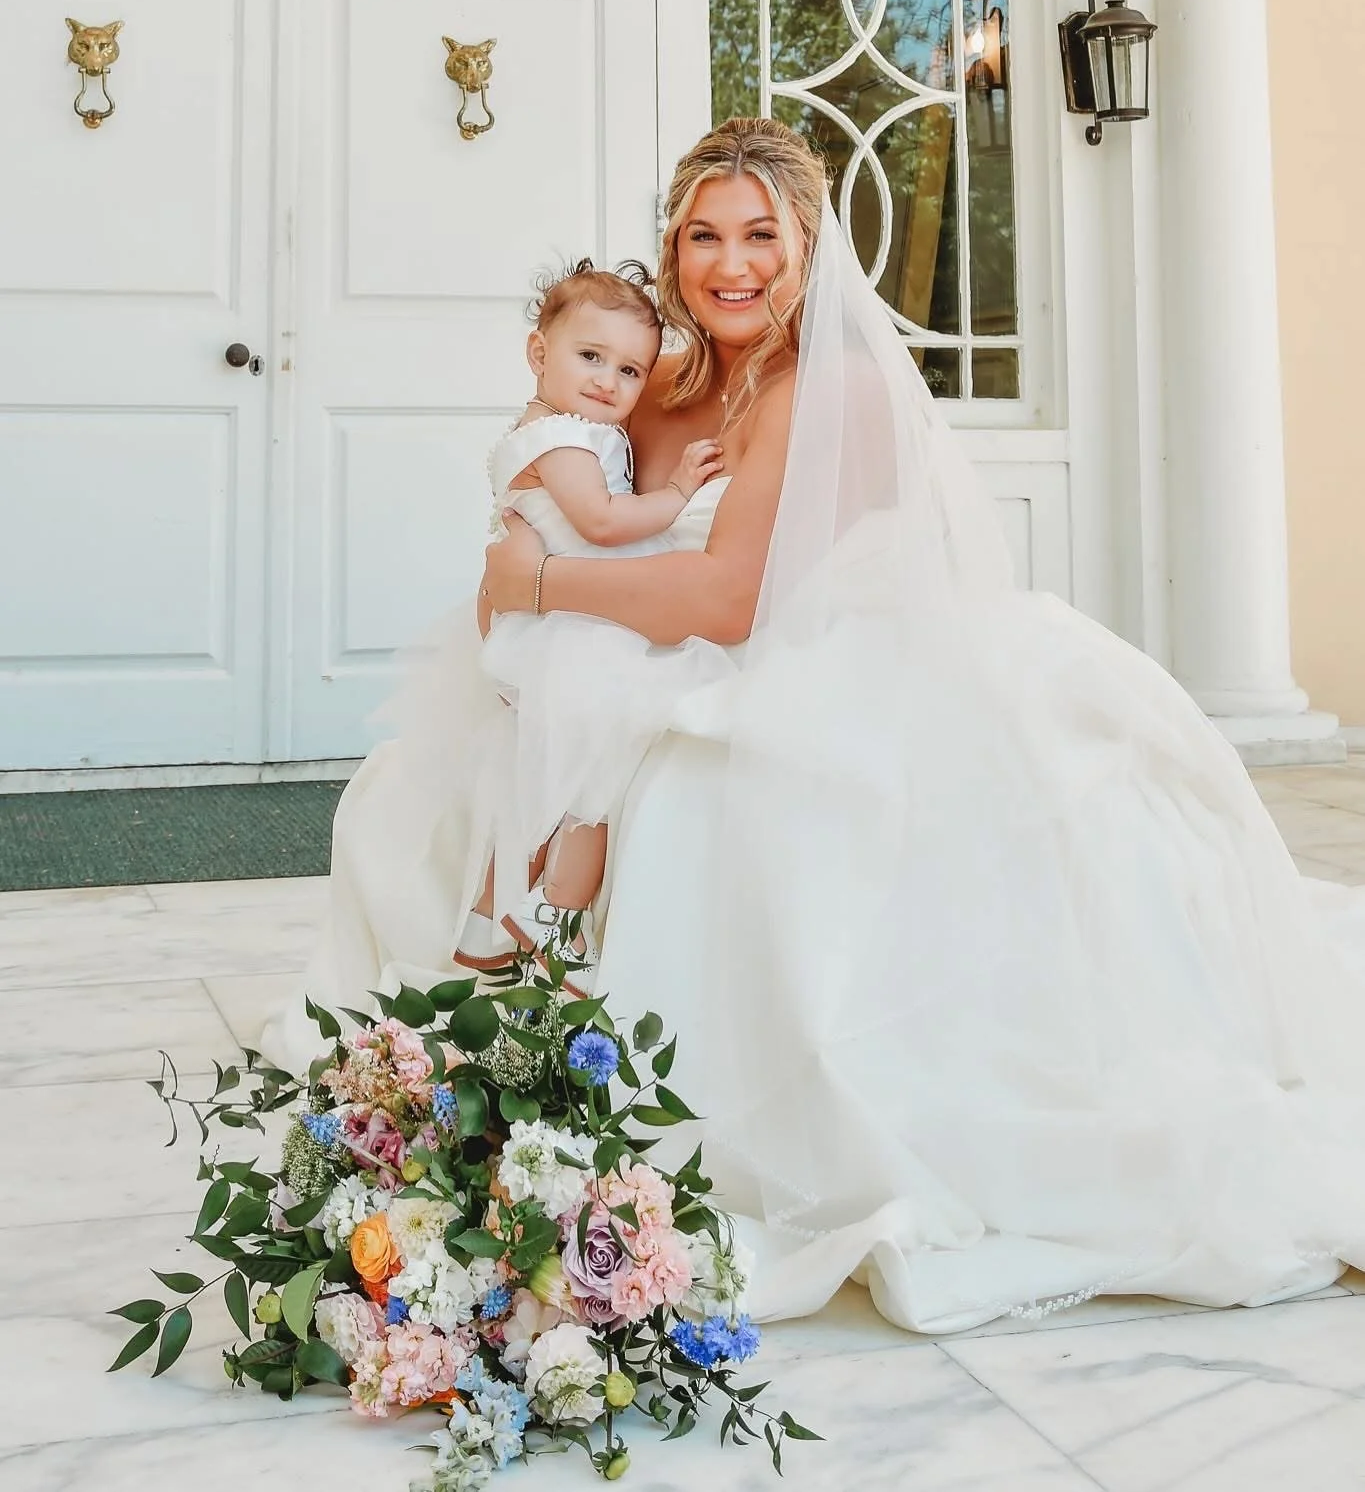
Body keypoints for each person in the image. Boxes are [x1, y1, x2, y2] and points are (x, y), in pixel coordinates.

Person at [265, 117, 1365, 1337]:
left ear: (808, 245)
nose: (728, 264)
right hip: (649, 652)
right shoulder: (661, 380)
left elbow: (731, 595)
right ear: (670, 248)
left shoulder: (821, 384)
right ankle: (490, 1002)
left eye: (758, 236)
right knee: (443, 776)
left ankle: (609, 1038)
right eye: (700, 235)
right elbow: (576, 496)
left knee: (712, 789)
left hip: (813, 657)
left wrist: (534, 588)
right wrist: (532, 556)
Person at [461, 256, 726, 980]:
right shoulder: (560, 441)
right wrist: (675, 494)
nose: (610, 381)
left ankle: (493, 923)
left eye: (631, 370)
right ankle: (559, 925)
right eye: (590, 357)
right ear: (538, 353)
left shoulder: (562, 430)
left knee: (550, 778)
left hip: (563, 626)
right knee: (594, 783)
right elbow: (603, 523)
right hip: (575, 632)